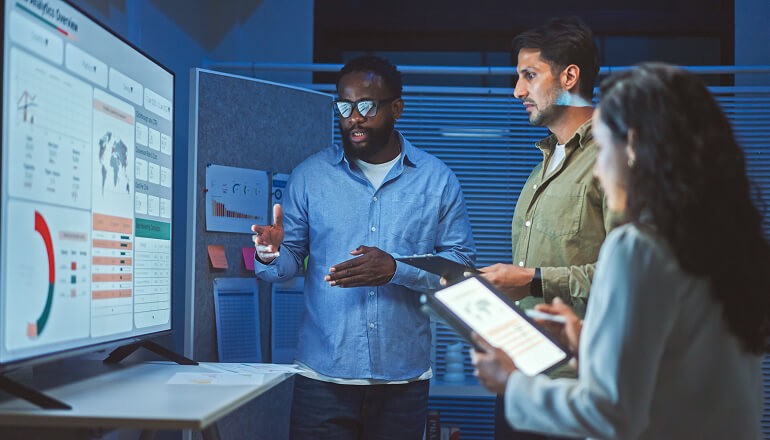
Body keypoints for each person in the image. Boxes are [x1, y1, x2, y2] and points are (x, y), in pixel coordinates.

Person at [472, 63, 770, 439]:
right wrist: (590, 343)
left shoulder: (638, 247)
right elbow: (684, 369)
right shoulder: (731, 244)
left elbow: (610, 415)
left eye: (602, 144)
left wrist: (512, 382)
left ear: (631, 147)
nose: (598, 171)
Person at [250, 55, 476, 440]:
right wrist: (269, 253)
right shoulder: (310, 177)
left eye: (367, 106)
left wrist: (395, 270)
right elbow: (285, 264)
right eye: (344, 105)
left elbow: (461, 268)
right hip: (322, 378)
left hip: (402, 381)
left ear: (396, 108)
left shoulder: (437, 181)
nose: (353, 117)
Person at [478, 17, 614, 439]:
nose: (518, 91)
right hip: (521, 377)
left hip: (575, 390)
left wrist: (533, 280)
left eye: (529, 75)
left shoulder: (612, 161)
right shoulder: (543, 164)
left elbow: (629, 279)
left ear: (569, 77)